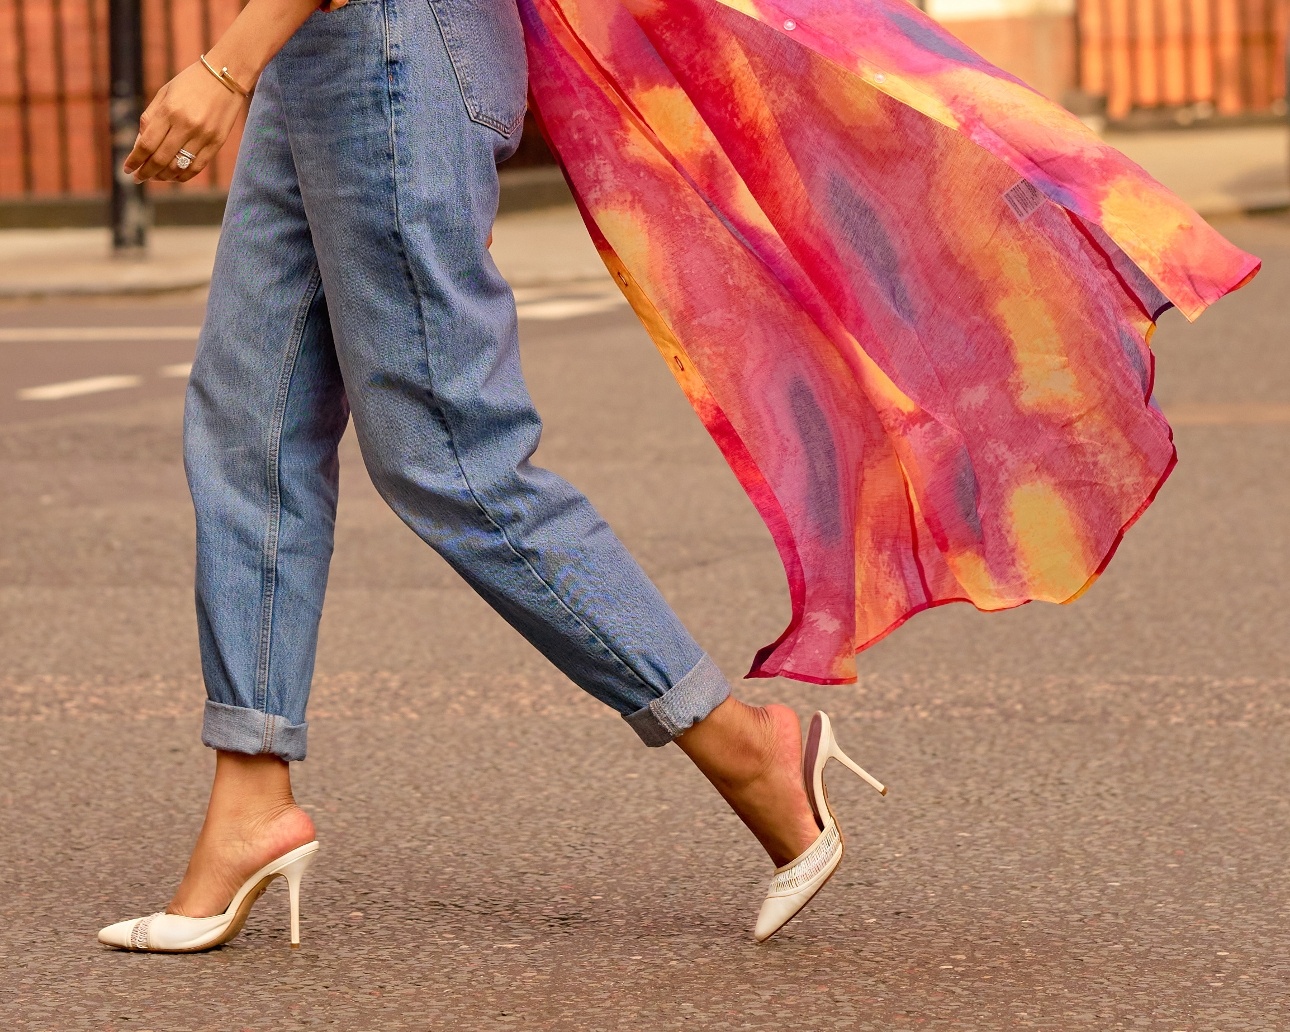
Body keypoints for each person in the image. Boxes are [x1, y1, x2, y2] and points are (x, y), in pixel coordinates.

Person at [95, 0, 888, 953]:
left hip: (390, 41)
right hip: (322, 52)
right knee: (247, 426)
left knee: (451, 457)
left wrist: (227, 64)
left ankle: (748, 749)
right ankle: (250, 797)